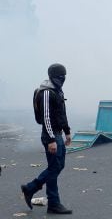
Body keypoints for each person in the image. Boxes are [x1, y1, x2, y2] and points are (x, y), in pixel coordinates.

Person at [21, 63, 72, 214]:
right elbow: (46, 118)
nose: (62, 79)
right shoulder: (47, 92)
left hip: (58, 133)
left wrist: (67, 132)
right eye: (59, 76)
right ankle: (51, 201)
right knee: (54, 167)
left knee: (58, 166)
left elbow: (61, 114)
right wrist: (51, 140)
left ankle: (32, 189)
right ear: (52, 76)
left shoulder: (58, 91)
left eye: (64, 76)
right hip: (50, 135)